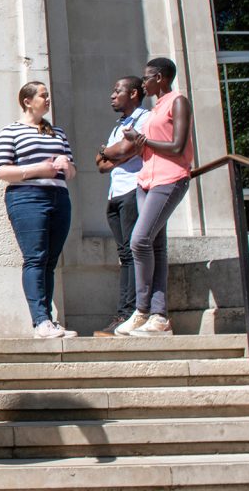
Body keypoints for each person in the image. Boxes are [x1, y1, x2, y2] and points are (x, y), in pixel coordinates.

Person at [113, 57, 194, 337]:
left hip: (170, 179)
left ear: (160, 77)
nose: (143, 82)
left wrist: (142, 141)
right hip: (146, 180)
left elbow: (177, 145)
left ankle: (143, 310)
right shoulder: (156, 107)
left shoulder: (177, 101)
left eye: (147, 77)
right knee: (155, 247)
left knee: (139, 240)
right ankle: (158, 317)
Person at [0, 81, 78, 340]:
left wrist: (66, 165)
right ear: (27, 101)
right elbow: (2, 170)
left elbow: (72, 173)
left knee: (50, 261)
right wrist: (39, 169)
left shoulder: (57, 133)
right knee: (35, 257)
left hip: (59, 196)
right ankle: (40, 320)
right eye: (43, 96)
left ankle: (48, 319)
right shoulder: (11, 132)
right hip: (27, 197)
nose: (48, 100)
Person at [92, 76, 153, 337]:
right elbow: (101, 164)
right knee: (124, 255)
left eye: (118, 91)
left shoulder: (144, 118)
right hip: (115, 193)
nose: (112, 95)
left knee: (133, 253)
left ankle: (130, 313)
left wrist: (115, 152)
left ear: (135, 93)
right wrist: (114, 151)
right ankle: (125, 313)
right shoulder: (119, 125)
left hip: (133, 190)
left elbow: (125, 150)